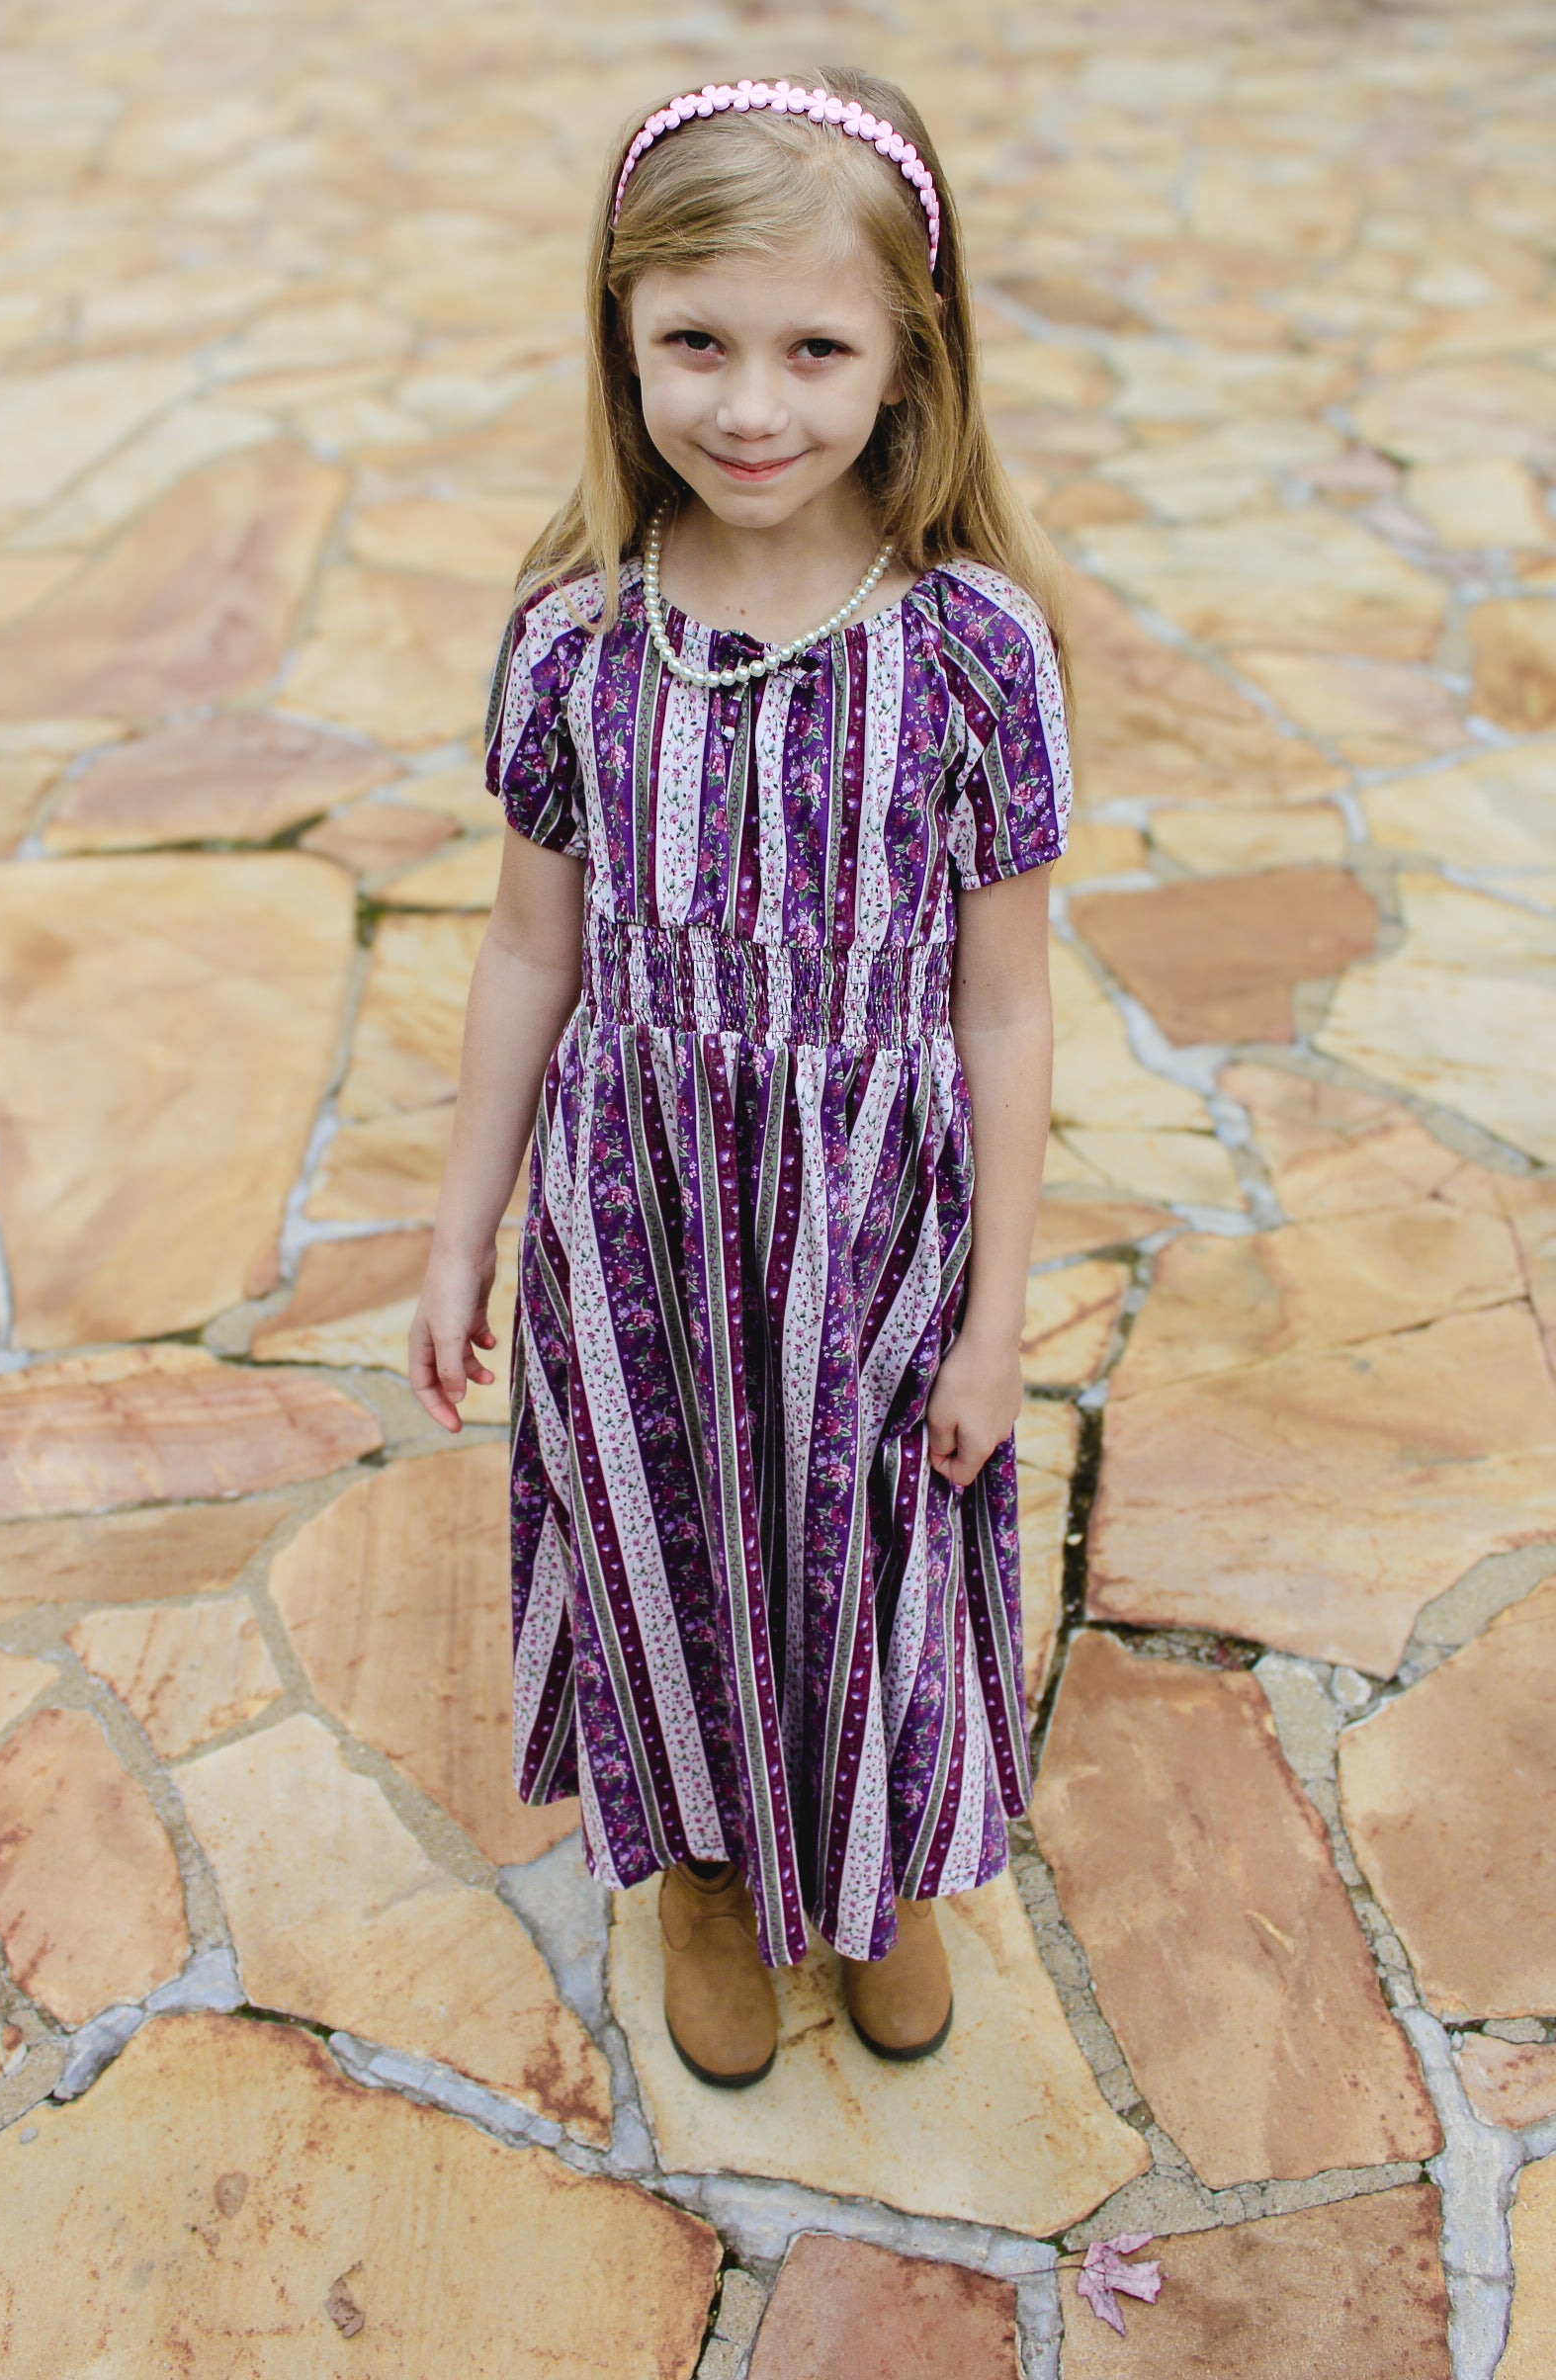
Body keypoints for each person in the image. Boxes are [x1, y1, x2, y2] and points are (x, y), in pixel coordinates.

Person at [408, 68, 1071, 2089]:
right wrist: (460, 1231)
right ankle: (700, 1862)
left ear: (905, 360)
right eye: (696, 341)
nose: (752, 405)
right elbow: (532, 946)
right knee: (661, 1529)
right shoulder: (573, 644)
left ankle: (880, 1870)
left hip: (878, 1220)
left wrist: (996, 1316)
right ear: (620, 342)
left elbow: (1009, 1006)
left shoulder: (972, 650)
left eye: (814, 348)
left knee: (871, 1539)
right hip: (633, 1215)